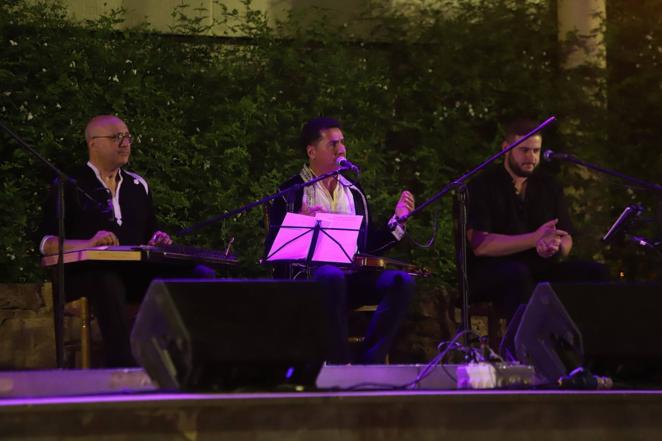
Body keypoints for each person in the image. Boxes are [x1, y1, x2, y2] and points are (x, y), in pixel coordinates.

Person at [265, 117, 416, 364]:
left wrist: (397, 221)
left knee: (402, 282)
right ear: (311, 151)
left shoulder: (354, 193)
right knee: (330, 276)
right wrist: (298, 223)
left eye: (342, 142)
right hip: (309, 282)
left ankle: (369, 360)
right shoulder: (291, 192)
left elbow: (366, 247)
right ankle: (339, 362)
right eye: (333, 144)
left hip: (352, 279)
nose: (342, 149)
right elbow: (273, 250)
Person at [39, 114, 177, 367]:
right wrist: (88, 244)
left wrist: (158, 240)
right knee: (106, 279)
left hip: (132, 272)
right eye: (116, 137)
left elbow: (150, 234)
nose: (125, 143)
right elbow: (46, 244)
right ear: (93, 143)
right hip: (83, 274)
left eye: (127, 137)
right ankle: (123, 364)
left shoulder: (138, 185)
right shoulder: (68, 184)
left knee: (197, 274)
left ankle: (186, 360)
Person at [466, 118, 608, 321]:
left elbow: (566, 236)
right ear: (506, 148)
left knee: (595, 272)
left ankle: (590, 346)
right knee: (518, 274)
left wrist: (555, 246)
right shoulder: (483, 185)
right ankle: (522, 347)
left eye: (536, 151)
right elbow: (480, 245)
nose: (531, 157)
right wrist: (534, 239)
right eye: (524, 150)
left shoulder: (548, 185)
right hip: (493, 270)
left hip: (540, 267)